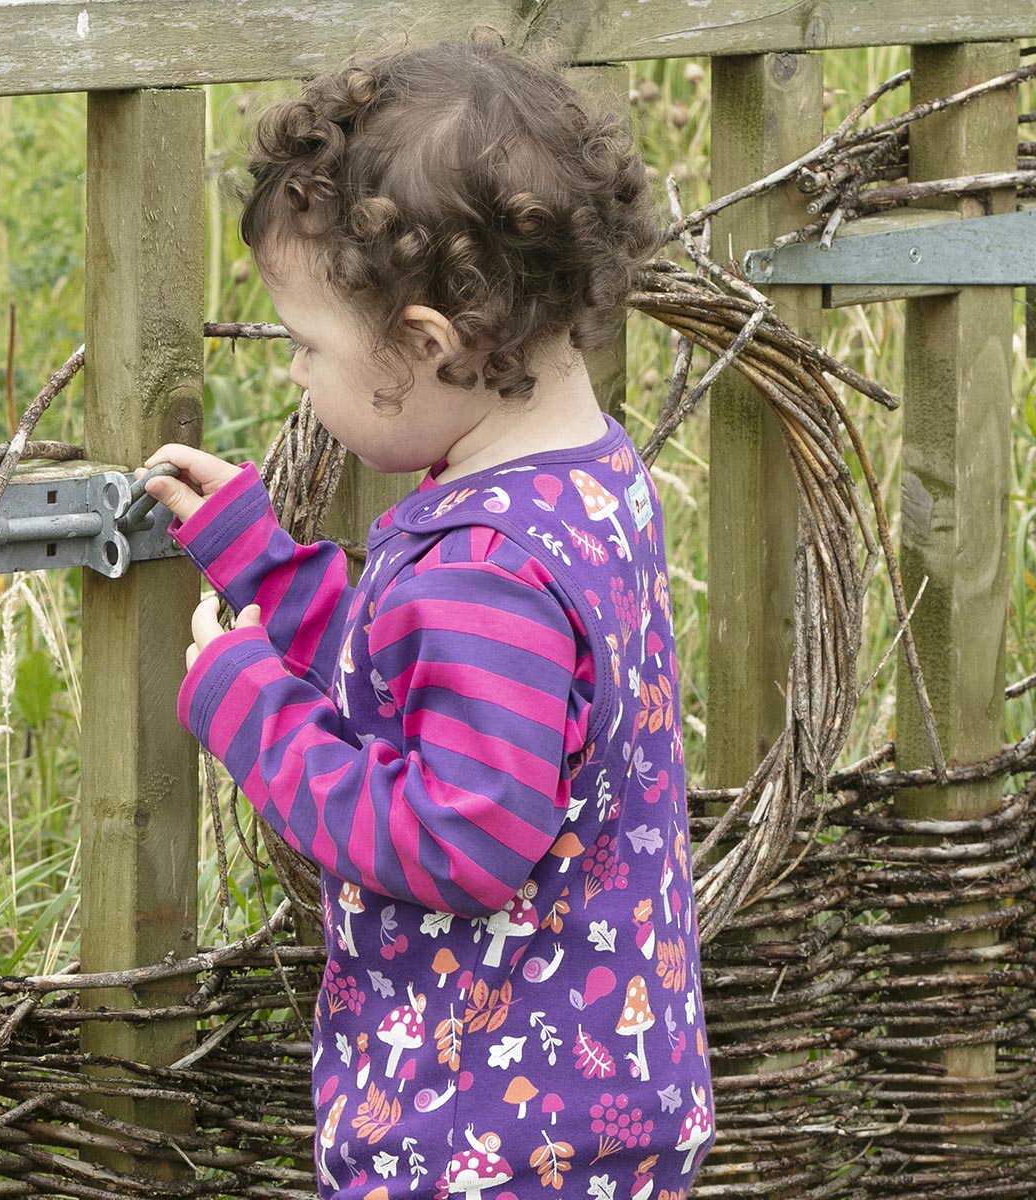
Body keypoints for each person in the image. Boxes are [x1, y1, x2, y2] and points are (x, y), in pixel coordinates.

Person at [139, 34, 715, 1200]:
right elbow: (425, 689)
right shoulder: (588, 479)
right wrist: (266, 567)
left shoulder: (484, 565)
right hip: (593, 1098)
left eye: (308, 345)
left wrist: (256, 716)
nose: (295, 375)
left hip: (486, 1138)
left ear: (427, 344)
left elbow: (460, 836)